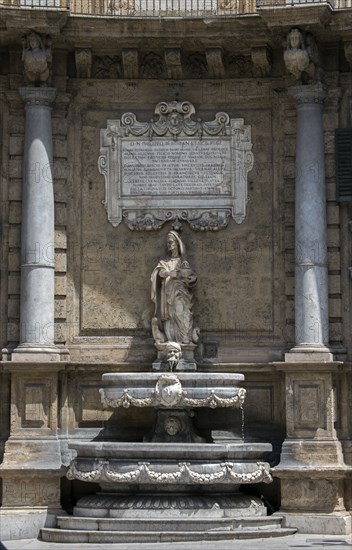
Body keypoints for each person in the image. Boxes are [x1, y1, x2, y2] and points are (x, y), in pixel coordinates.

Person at [151, 231, 197, 345]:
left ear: (177, 243)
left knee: (181, 313)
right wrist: (168, 273)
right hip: (168, 294)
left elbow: (191, 275)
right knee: (170, 316)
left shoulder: (183, 262)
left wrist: (192, 279)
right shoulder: (164, 261)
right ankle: (171, 339)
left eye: (171, 242)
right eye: (168, 243)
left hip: (181, 293)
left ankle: (184, 337)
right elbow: (158, 272)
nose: (169, 245)